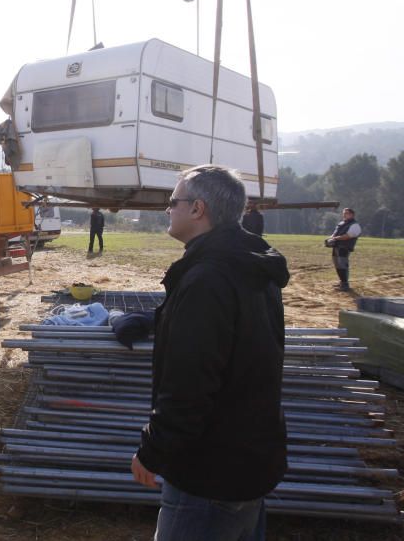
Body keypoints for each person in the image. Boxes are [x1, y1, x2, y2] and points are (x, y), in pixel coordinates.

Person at [131, 165, 289, 541]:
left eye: (173, 201)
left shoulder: (207, 278)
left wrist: (152, 451)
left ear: (198, 209)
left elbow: (189, 385)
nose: (168, 209)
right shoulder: (249, 265)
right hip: (248, 461)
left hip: (209, 474)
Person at [326, 207, 362, 292]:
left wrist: (335, 239)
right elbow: (335, 233)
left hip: (345, 247)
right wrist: (330, 239)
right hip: (336, 246)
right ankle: (342, 282)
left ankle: (345, 284)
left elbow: (348, 236)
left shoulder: (355, 225)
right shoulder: (341, 223)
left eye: (346, 213)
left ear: (352, 215)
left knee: (342, 265)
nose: (344, 215)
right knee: (337, 265)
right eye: (343, 213)